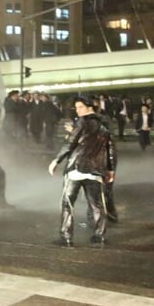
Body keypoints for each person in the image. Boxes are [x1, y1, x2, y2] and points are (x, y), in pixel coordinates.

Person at [48, 94, 117, 247]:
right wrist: (111, 169)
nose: (77, 110)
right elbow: (110, 149)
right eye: (76, 107)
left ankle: (66, 236)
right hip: (96, 171)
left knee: (68, 204)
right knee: (97, 206)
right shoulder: (104, 125)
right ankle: (100, 236)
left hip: (76, 168)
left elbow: (70, 143)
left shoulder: (82, 122)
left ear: (89, 108)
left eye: (80, 107)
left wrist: (56, 160)